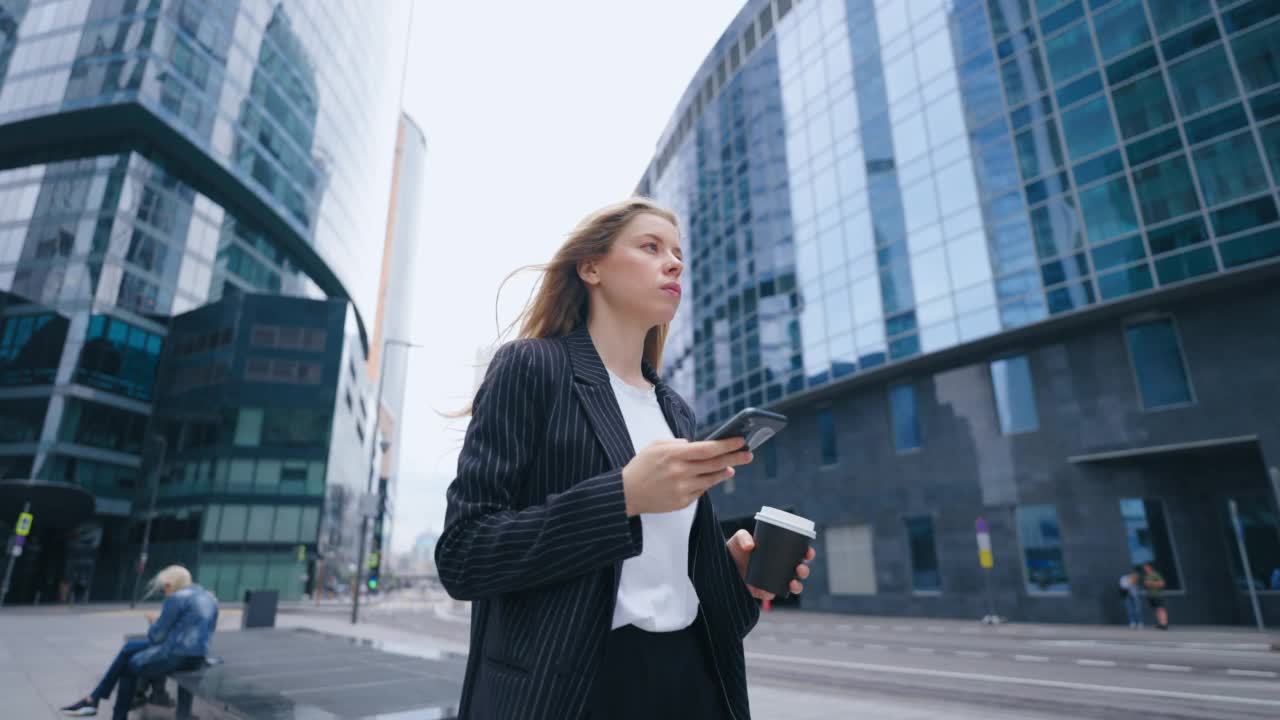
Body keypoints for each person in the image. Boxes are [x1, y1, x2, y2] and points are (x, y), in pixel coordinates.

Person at [435, 198, 816, 719]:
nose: (675, 263)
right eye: (651, 247)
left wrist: (736, 575)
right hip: (575, 691)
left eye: (678, 253)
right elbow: (464, 555)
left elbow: (682, 592)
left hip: (692, 682)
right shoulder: (531, 369)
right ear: (591, 267)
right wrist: (622, 497)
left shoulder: (674, 411)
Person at [60, 565, 218, 718]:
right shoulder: (210, 598)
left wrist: (153, 622)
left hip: (176, 655)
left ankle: (105, 708)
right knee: (129, 648)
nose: (164, 592)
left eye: (164, 588)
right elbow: (202, 630)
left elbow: (156, 637)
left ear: (171, 584)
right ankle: (93, 700)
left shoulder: (176, 598)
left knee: (129, 665)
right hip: (197, 658)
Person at [1141, 562, 1169, 630]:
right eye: (1144, 567)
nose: (1145, 569)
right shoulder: (1146, 576)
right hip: (1150, 596)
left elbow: (1162, 583)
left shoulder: (1155, 575)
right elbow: (1145, 585)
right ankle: (1160, 623)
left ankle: (1164, 624)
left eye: (1146, 567)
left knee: (1161, 609)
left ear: (1150, 567)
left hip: (1157, 595)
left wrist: (1151, 583)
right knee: (1156, 610)